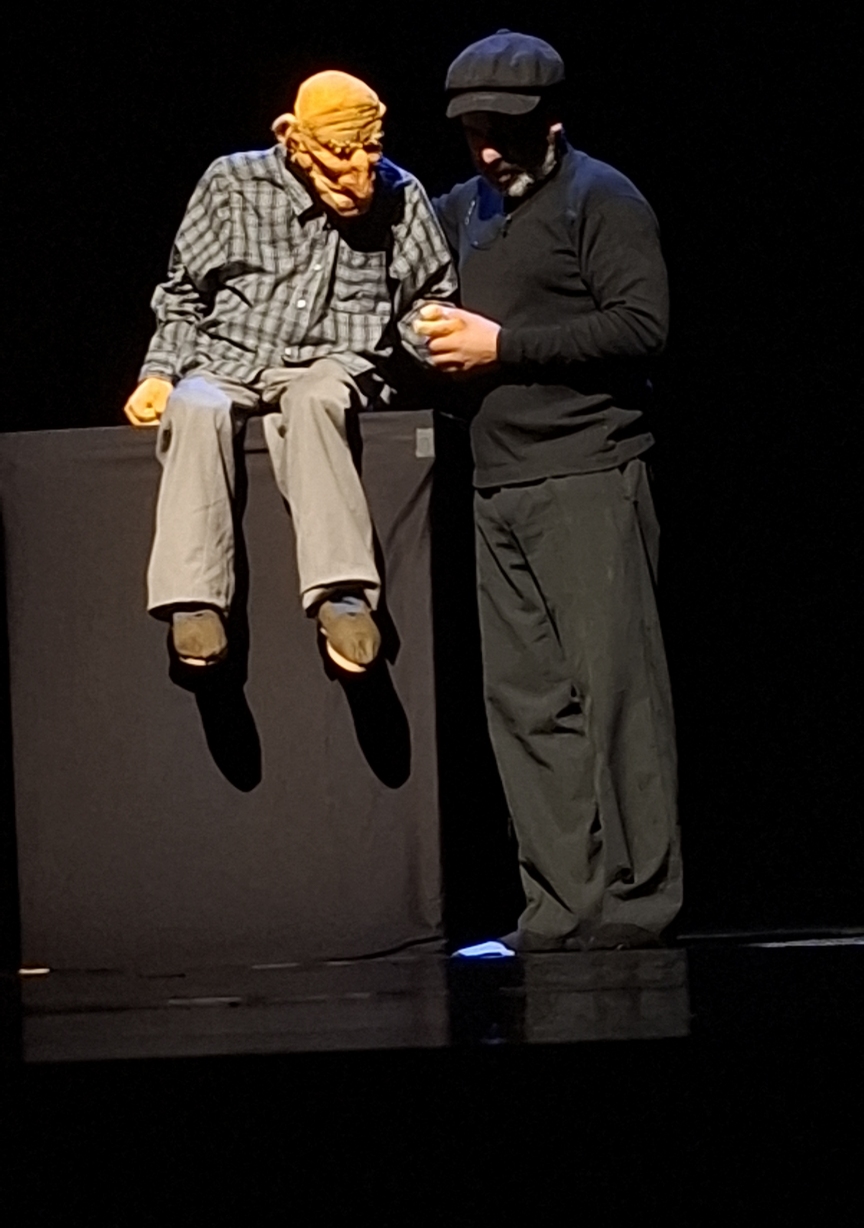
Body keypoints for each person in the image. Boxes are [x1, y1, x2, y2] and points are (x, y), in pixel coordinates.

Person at [415, 31, 682, 951]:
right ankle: (560, 910)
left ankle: (637, 907)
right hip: (498, 482)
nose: (489, 150)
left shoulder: (601, 198)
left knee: (618, 701)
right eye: (474, 132)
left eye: (505, 131)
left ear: (551, 120)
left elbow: (642, 326)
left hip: (588, 472)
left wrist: (504, 346)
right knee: (527, 705)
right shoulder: (463, 209)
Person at [124, 70, 456, 672]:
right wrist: (160, 371)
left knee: (316, 402)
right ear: (293, 139)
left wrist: (432, 331)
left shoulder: (401, 194)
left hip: (332, 361)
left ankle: (343, 595)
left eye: (371, 148)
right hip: (230, 356)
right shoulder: (232, 182)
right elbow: (184, 292)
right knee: (195, 407)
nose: (359, 168)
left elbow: (429, 296)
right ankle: (194, 599)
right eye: (340, 152)